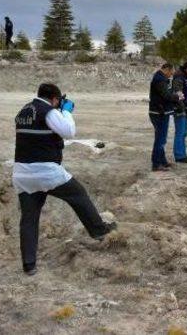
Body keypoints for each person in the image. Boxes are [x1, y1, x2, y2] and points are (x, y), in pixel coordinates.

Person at [13, 83, 116, 275]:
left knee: (29, 219)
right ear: (54, 98)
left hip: (22, 173)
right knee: (78, 195)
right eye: (58, 101)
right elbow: (69, 132)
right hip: (46, 170)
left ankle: (29, 264)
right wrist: (66, 112)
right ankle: (99, 230)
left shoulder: (24, 111)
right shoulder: (48, 111)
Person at [149, 63, 183, 171]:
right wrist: (177, 96)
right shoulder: (159, 79)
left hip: (163, 112)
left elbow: (167, 94)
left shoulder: (163, 78)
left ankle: (162, 161)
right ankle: (156, 164)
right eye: (171, 73)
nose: (171, 75)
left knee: (161, 138)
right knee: (160, 139)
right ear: (167, 69)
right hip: (159, 113)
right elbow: (166, 95)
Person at [172, 60, 187, 163]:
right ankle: (179, 155)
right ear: (186, 69)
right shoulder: (179, 78)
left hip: (186, 109)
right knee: (180, 132)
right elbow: (178, 94)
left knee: (184, 133)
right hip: (180, 109)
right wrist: (181, 107)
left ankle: (183, 154)